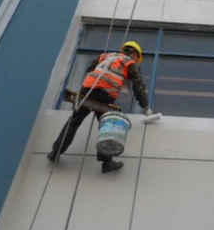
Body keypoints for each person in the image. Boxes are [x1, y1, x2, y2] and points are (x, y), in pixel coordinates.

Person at [48, 41, 153, 173]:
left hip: (87, 90)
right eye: (138, 58)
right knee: (107, 126)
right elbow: (138, 87)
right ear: (135, 54)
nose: (137, 61)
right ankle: (106, 162)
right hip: (105, 95)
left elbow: (90, 70)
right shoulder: (129, 63)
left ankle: (55, 152)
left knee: (74, 122)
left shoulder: (105, 56)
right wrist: (145, 107)